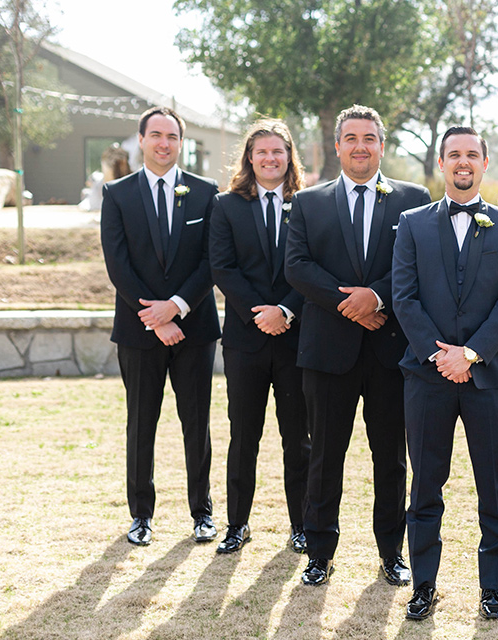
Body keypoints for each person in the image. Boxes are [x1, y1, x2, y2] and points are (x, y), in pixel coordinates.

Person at [284, 104, 430, 586]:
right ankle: (319, 553)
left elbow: (420, 266)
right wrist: (351, 304)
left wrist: (378, 297)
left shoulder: (413, 199)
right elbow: (298, 267)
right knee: (325, 454)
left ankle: (392, 552)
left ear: (382, 146)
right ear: (338, 145)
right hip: (328, 352)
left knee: (391, 458)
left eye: (369, 138)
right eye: (351, 138)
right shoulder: (309, 202)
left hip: (392, 352)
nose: (360, 146)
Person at [392, 126, 498, 620]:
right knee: (426, 484)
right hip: (427, 378)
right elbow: (403, 297)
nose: (463, 161)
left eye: (472, 154)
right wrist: (440, 355)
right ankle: (423, 585)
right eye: (454, 154)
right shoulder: (411, 223)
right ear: (442, 163)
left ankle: (493, 584)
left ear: (484, 163)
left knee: (496, 485)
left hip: (490, 378)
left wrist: (469, 354)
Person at [100, 106, 220, 546]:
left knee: (196, 423)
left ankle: (202, 514)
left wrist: (177, 307)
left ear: (180, 142)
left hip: (194, 329)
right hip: (138, 331)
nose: (164, 143)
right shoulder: (117, 194)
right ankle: (141, 516)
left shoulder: (207, 193)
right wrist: (155, 317)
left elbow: (212, 261)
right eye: (156, 135)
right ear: (142, 139)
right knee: (141, 423)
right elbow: (118, 265)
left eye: (172, 136)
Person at [209, 119, 311, 554]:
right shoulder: (226, 206)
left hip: (295, 339)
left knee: (299, 438)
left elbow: (312, 265)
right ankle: (237, 525)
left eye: (278, 151)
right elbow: (222, 267)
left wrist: (285, 310)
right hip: (246, 340)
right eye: (262, 152)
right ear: (249, 158)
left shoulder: (309, 205)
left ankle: (302, 526)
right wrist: (260, 314)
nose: (270, 159)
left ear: (290, 158)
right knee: (243, 434)